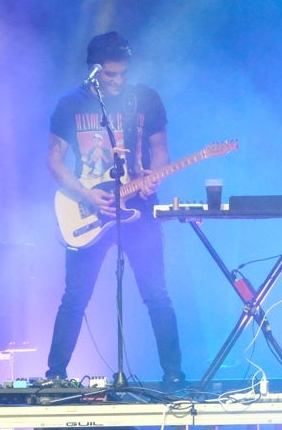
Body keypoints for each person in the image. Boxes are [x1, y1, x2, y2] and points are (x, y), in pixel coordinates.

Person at [45, 31, 185, 391]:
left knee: (157, 293)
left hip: (138, 210)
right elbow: (55, 162)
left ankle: (174, 376)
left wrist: (154, 177)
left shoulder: (146, 100)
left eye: (122, 74)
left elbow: (160, 151)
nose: (118, 81)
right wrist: (88, 195)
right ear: (94, 71)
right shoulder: (70, 105)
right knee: (75, 297)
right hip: (89, 210)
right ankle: (55, 375)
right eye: (110, 75)